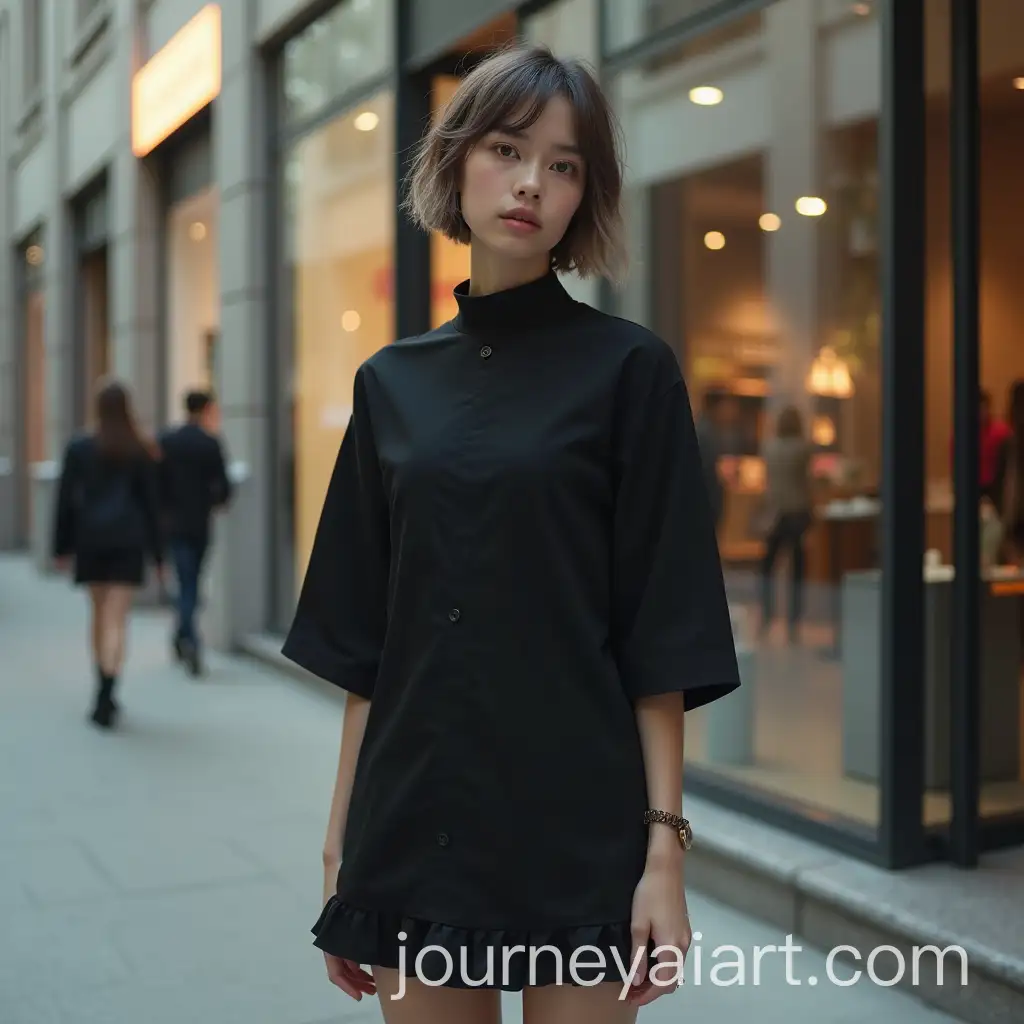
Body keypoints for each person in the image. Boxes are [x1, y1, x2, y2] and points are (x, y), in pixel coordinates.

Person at [281, 44, 741, 1023]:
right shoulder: (388, 384)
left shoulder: (631, 373)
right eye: (506, 148)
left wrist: (663, 852)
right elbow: (372, 645)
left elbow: (659, 635)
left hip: (579, 826)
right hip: (416, 820)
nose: (532, 181)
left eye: (565, 164)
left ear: (586, 195)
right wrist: (339, 848)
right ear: (455, 162)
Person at [52, 378, 164, 728]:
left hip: (92, 539)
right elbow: (152, 506)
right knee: (118, 617)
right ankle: (110, 688)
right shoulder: (140, 448)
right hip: (128, 541)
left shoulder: (80, 447)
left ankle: (101, 686)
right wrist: (160, 556)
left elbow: (65, 500)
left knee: (98, 614)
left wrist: (61, 546)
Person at [157, 389, 233, 676]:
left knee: (186, 580)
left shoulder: (167, 441)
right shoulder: (209, 443)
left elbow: (156, 484)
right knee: (192, 582)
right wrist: (214, 501)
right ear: (205, 409)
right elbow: (223, 487)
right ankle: (191, 641)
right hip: (199, 522)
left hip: (172, 523)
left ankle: (181, 634)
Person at [759, 405, 814, 642]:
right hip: (798, 511)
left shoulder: (769, 448)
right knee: (797, 570)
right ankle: (794, 621)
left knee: (768, 567)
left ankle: (767, 616)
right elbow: (807, 482)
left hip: (775, 513)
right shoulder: (803, 449)